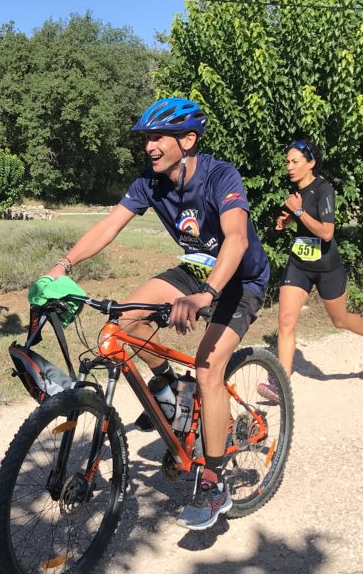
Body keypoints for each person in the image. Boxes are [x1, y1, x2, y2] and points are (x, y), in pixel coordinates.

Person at [45, 97, 270, 530]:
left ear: (188, 140)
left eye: (158, 137)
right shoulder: (150, 182)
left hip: (240, 280)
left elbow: (237, 239)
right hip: (195, 271)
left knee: (208, 370)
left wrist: (206, 295)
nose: (149, 146)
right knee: (121, 326)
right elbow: (109, 225)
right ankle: (170, 389)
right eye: (146, 138)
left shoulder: (220, 175)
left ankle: (213, 481)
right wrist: (63, 266)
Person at [257, 139, 363, 402]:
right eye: (287, 162)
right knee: (285, 321)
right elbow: (304, 220)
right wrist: (288, 220)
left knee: (340, 320)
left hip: (327, 267)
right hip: (299, 264)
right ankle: (280, 384)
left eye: (295, 162)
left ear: (311, 163)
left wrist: (298, 211)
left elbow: (326, 233)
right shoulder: (296, 191)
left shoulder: (324, 189)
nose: (289, 167)